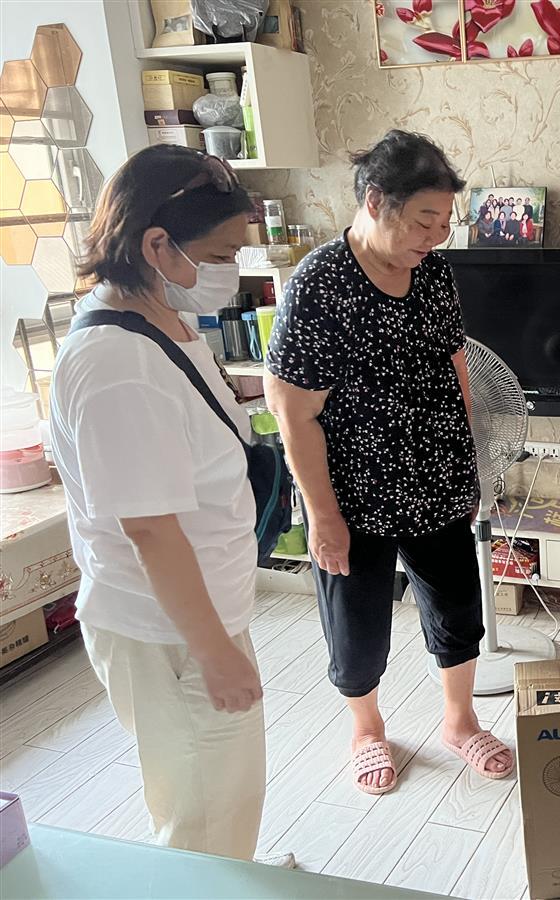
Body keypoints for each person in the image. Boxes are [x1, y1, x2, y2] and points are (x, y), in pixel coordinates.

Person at [50, 145, 285, 862]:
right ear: (156, 245)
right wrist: (213, 653)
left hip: (199, 614)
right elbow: (150, 529)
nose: (230, 270)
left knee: (222, 797)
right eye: (219, 254)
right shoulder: (117, 365)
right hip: (172, 634)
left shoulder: (157, 322)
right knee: (205, 820)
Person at [264, 130, 514, 794]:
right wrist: (323, 517)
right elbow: (292, 412)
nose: (437, 236)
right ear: (375, 201)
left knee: (458, 610)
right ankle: (367, 730)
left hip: (437, 481)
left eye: (445, 221)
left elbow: (455, 364)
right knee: (358, 626)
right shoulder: (320, 284)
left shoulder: (432, 271)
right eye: (425, 220)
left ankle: (459, 722)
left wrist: (470, 461)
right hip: (355, 494)